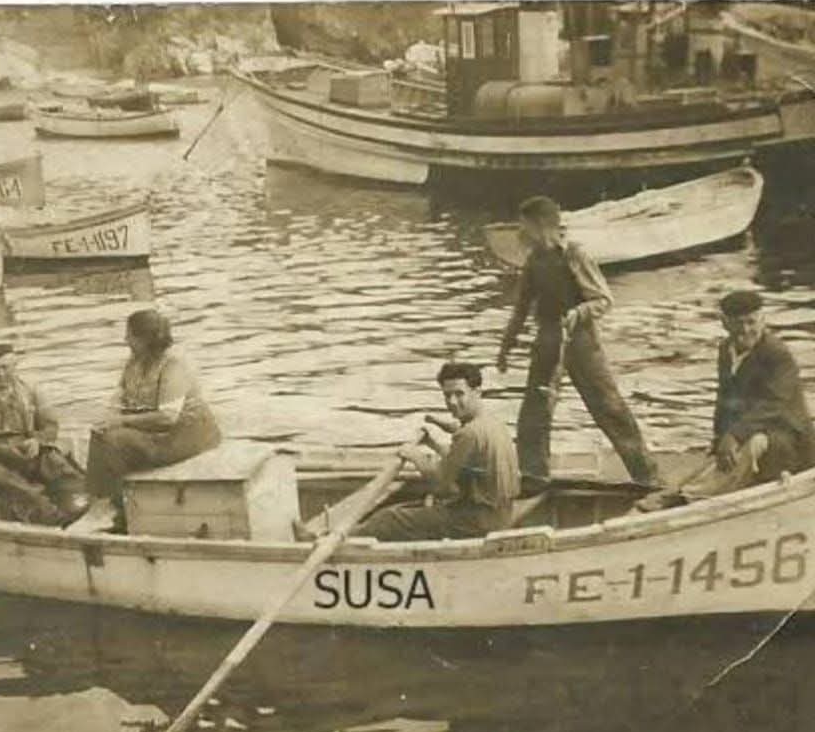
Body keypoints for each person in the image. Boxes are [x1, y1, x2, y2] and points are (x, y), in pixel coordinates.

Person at [497, 195, 660, 489]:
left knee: (608, 407)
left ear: (542, 227)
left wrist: (578, 312)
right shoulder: (534, 260)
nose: (521, 234)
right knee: (535, 411)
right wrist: (506, 345)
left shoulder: (574, 255)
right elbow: (522, 306)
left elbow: (603, 299)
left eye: (526, 227)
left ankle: (646, 475)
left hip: (582, 342)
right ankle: (534, 475)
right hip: (548, 339)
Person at [638, 291, 815, 510]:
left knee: (754, 444)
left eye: (752, 322)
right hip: (751, 428)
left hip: (786, 436)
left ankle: (691, 499)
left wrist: (734, 435)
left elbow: (774, 405)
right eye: (739, 323)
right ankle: (681, 491)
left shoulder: (777, 354)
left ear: (763, 320)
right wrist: (720, 436)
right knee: (718, 457)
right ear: (725, 323)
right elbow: (725, 398)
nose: (746, 330)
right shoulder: (726, 350)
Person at [344, 362, 520, 542]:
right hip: (501, 514)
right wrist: (433, 443)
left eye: (459, 394)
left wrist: (415, 456)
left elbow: (441, 484)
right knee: (407, 508)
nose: (452, 402)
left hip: (477, 521)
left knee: (388, 519)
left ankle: (343, 541)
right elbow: (462, 462)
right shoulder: (493, 423)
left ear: (477, 393)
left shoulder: (469, 433)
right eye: (447, 395)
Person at [85, 309, 222, 517]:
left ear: (145, 340)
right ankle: (103, 500)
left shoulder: (173, 365)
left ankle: (114, 507)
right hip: (156, 432)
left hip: (184, 437)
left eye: (130, 335)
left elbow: (168, 417)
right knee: (100, 433)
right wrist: (109, 416)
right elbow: (120, 393)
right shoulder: (134, 362)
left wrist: (121, 421)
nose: (125, 340)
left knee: (112, 441)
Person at [0, 344, 90, 526]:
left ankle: (82, 506)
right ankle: (53, 519)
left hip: (28, 450)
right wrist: (3, 451)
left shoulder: (30, 390)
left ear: (15, 367)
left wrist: (37, 441)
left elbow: (51, 425)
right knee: (22, 490)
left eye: (5, 368)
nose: (0, 374)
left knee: (59, 467)